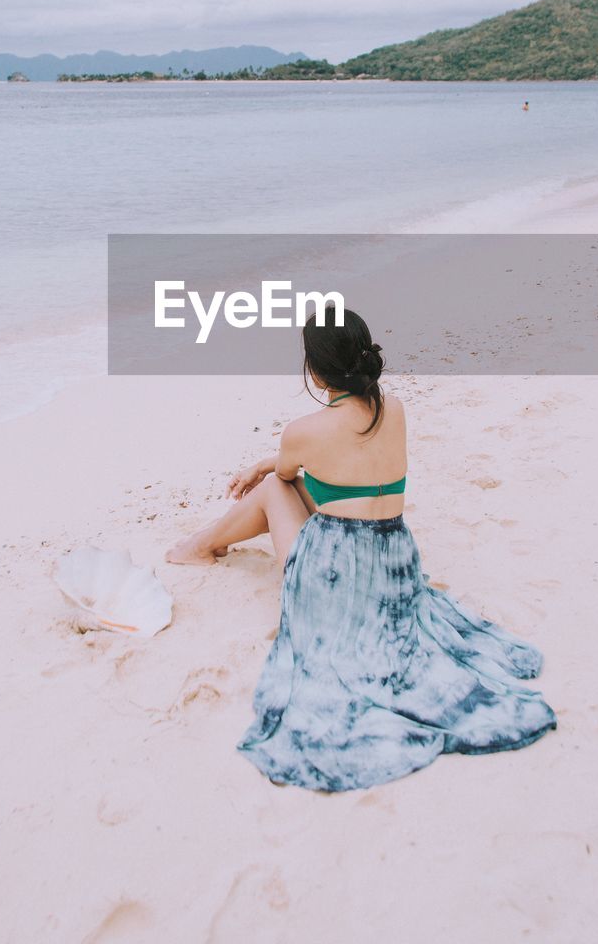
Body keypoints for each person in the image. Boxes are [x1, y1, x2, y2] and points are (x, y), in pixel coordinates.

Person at [166, 308, 557, 791]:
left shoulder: (303, 430)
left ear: (314, 370)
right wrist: (274, 462)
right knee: (305, 487)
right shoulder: (393, 408)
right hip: (394, 561)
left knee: (269, 491)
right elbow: (335, 474)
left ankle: (198, 546)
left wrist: (265, 465)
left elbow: (286, 480)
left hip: (335, 573)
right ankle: (203, 544)